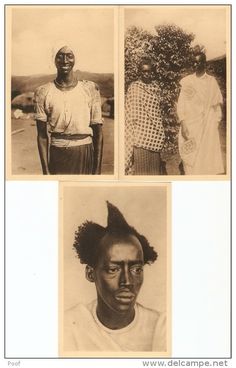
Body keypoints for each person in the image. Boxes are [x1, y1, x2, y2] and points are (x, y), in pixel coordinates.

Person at [64, 201, 166, 352]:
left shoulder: (161, 327)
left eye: (136, 269)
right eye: (113, 269)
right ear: (91, 273)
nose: (127, 281)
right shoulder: (69, 324)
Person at [34, 45, 103, 175]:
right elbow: (42, 136)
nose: (65, 60)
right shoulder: (43, 92)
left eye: (69, 56)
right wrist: (46, 171)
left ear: (75, 59)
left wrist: (97, 171)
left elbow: (98, 134)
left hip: (84, 152)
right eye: (60, 56)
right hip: (57, 154)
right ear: (53, 60)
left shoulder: (90, 89)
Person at [177, 51, 224, 175]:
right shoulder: (187, 82)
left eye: (198, 62)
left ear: (204, 63)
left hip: (208, 127)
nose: (195, 64)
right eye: (193, 62)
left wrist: (214, 124)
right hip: (191, 126)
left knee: (206, 160)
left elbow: (217, 107)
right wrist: (183, 123)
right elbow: (181, 104)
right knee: (190, 157)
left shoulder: (211, 82)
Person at [125, 58, 165, 175]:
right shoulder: (134, 88)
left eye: (149, 71)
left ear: (152, 72)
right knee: (141, 173)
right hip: (140, 137)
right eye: (144, 71)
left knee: (154, 173)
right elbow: (129, 112)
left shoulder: (156, 89)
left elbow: (157, 113)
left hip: (155, 137)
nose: (146, 74)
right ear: (140, 72)